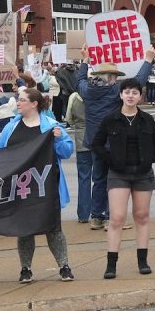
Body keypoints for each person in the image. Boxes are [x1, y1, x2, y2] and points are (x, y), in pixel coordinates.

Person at [0, 87, 75, 283]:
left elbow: (66, 152)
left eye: (22, 100)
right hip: (21, 188)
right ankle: (26, 269)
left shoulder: (51, 126)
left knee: (53, 228)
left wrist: (58, 139)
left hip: (47, 187)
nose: (18, 103)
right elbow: (0, 153)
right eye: (18, 99)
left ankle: (64, 266)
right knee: (24, 229)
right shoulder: (11, 127)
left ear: (34, 104)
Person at [77, 45, 155, 230]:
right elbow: (138, 80)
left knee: (98, 178)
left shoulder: (86, 90)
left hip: (93, 141)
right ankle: (111, 217)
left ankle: (96, 217)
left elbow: (79, 80)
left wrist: (85, 60)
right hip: (113, 142)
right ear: (112, 77)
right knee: (114, 180)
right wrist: (148, 60)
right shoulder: (114, 91)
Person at [92, 78, 155, 279]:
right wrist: (111, 160)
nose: (130, 96)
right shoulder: (110, 119)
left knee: (142, 215)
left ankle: (143, 261)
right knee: (117, 217)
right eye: (127, 92)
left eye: (135, 92)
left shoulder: (146, 119)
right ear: (121, 94)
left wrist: (150, 159)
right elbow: (96, 144)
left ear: (140, 96)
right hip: (118, 173)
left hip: (143, 173)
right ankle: (111, 264)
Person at [66, 91, 92, 223]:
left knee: (83, 178)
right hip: (99, 139)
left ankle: (83, 214)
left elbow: (69, 119)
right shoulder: (100, 94)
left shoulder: (74, 97)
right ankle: (101, 212)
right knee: (102, 178)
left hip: (81, 140)